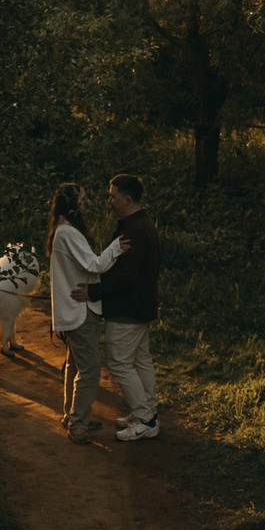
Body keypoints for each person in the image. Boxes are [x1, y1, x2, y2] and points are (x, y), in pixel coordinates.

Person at [44, 182, 123, 446]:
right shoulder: (68, 233)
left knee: (75, 364)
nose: (86, 205)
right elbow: (95, 264)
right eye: (82, 201)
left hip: (75, 309)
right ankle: (78, 423)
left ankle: (73, 415)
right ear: (73, 205)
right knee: (90, 370)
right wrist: (117, 247)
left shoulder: (63, 231)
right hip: (80, 311)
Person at [91, 173, 161, 441]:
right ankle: (147, 412)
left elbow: (125, 275)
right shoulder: (141, 223)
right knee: (140, 361)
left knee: (119, 363)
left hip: (128, 308)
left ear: (128, 199)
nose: (109, 201)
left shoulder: (133, 229)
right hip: (140, 306)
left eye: (113, 196)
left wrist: (94, 291)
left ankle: (145, 418)